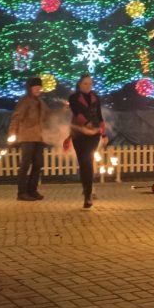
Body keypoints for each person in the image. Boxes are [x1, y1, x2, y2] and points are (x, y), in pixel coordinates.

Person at [7, 77, 52, 202]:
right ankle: (22, 192)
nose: (38, 89)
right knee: (25, 164)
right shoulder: (25, 101)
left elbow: (49, 114)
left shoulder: (41, 102)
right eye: (35, 87)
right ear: (30, 88)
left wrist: (63, 110)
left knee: (38, 164)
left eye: (39, 87)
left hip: (39, 137)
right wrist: (12, 133)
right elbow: (16, 117)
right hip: (26, 136)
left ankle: (32, 190)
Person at [66, 74, 106, 208]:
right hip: (79, 134)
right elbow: (77, 113)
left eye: (90, 83)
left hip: (94, 134)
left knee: (88, 161)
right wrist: (86, 123)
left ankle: (88, 195)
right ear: (79, 84)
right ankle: (86, 187)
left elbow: (99, 115)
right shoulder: (73, 98)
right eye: (85, 83)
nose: (88, 86)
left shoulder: (96, 97)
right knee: (83, 163)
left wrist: (103, 133)